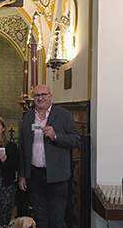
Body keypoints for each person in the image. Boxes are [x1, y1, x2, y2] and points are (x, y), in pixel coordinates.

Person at [18, 85, 81, 228]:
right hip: (34, 175)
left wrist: (56, 136)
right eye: (36, 95)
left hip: (57, 175)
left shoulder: (64, 115)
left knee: (57, 218)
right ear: (33, 98)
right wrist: (22, 175)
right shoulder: (28, 118)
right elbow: (22, 147)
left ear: (50, 96)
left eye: (43, 94)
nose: (40, 98)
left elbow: (76, 140)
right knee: (41, 218)